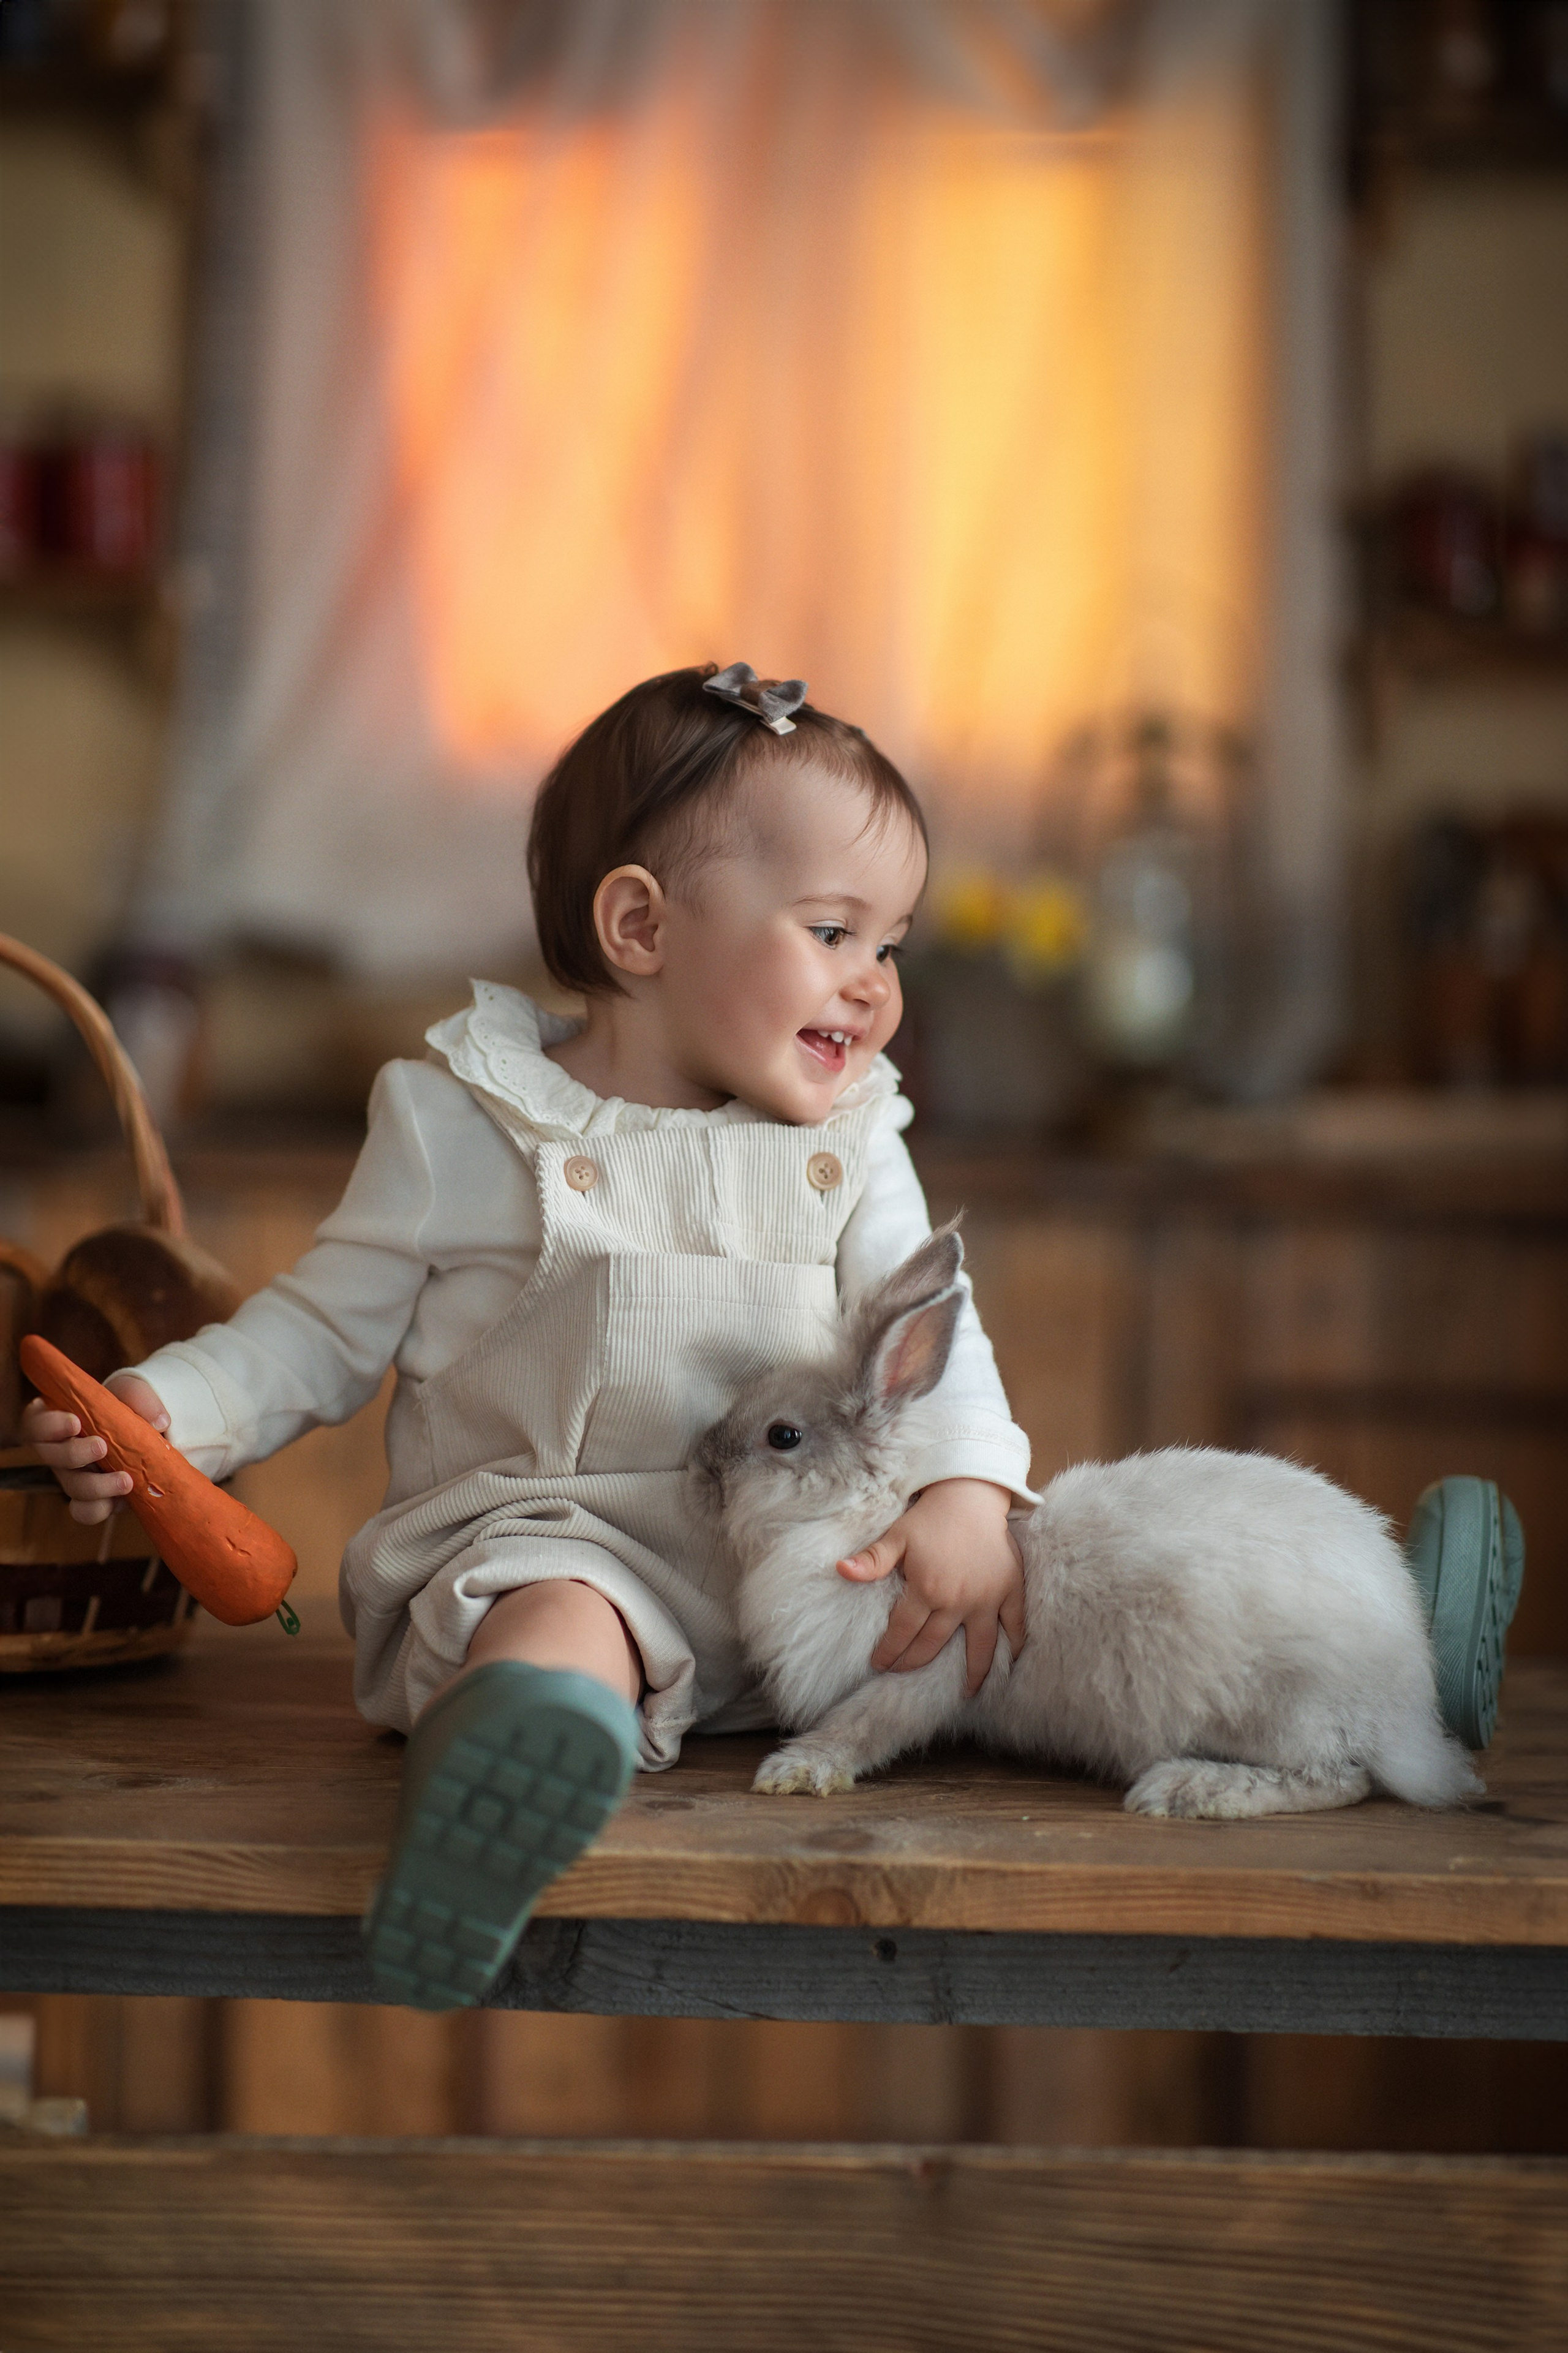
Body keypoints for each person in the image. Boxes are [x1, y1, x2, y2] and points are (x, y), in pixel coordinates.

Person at [24, 663, 1035, 2011]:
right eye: (832, 930)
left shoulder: (854, 1143)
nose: (872, 987)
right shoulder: (468, 1122)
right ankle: (502, 1774)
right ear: (639, 924)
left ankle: (1381, 1647)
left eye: (888, 944)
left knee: (1020, 1596)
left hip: (807, 1580)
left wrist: (968, 1487)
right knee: (567, 1619)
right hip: (560, 1542)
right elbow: (319, 1330)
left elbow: (935, 1335)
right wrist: (167, 1411)